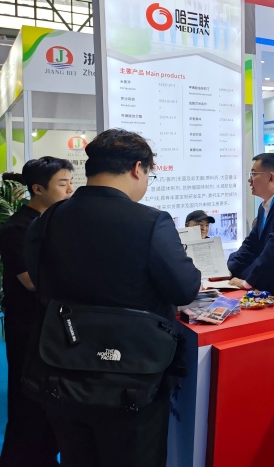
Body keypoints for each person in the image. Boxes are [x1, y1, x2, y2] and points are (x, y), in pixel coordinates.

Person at [25, 128, 201, 467]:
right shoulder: (151, 222)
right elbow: (184, 289)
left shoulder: (48, 219)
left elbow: (39, 281)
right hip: (131, 379)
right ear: (137, 168)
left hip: (61, 371)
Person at [0, 157, 74, 467]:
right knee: (28, 400)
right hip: (28, 326)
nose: (70, 189)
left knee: (50, 399)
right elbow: (31, 282)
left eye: (71, 182)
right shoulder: (17, 227)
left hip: (51, 324)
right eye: (62, 183)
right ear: (38, 188)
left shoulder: (52, 221)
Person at [226, 153, 274, 301]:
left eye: (253, 174)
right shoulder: (263, 208)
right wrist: (228, 269)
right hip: (265, 284)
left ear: (271, 177)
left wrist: (248, 282)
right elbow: (250, 244)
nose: (249, 180)